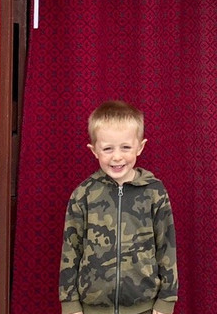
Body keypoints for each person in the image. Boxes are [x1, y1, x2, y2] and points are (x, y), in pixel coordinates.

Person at [59, 100, 178, 314]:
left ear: (140, 147)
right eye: (107, 148)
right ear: (94, 150)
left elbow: (166, 247)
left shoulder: (154, 192)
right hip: (92, 308)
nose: (117, 157)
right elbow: (71, 249)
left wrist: (166, 301)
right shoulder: (83, 194)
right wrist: (70, 304)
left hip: (144, 307)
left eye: (125, 147)